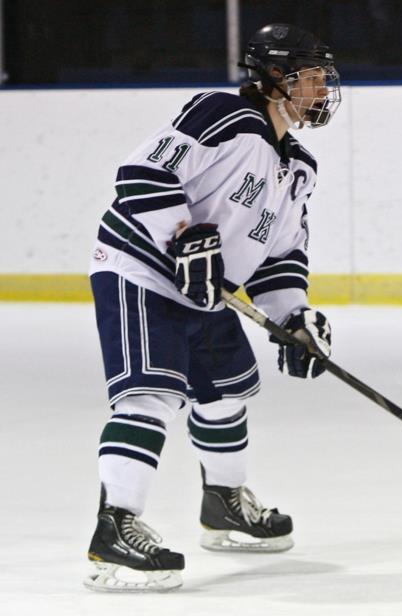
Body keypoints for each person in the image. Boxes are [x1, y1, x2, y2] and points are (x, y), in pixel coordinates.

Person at [84, 23, 341, 593]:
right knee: (151, 394)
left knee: (225, 392)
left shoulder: (299, 166)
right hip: (142, 270)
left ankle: (224, 505)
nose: (323, 91)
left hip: (205, 287)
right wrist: (182, 238)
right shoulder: (220, 113)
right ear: (277, 77)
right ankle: (115, 529)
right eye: (314, 78)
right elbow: (142, 174)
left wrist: (293, 317)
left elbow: (280, 255)